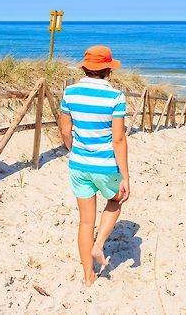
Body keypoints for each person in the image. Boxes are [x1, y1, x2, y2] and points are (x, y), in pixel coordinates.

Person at [59, 45, 130, 287]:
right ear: (108, 69)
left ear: (86, 67)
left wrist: (73, 150)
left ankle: (88, 276)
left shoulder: (70, 93)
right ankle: (99, 245)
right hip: (106, 165)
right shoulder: (116, 97)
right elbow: (118, 139)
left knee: (85, 221)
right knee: (116, 200)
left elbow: (65, 131)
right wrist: (126, 176)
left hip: (79, 163)